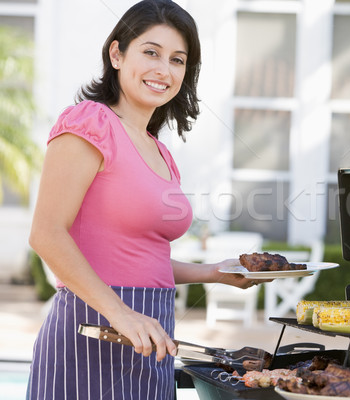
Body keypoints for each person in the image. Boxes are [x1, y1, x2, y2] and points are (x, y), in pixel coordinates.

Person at [27, 1, 263, 398]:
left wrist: (212, 273)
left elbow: (137, 258)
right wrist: (121, 313)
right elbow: (46, 234)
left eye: (177, 60)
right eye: (150, 52)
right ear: (117, 54)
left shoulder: (161, 152)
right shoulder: (90, 122)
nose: (163, 70)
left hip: (151, 336)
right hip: (92, 330)